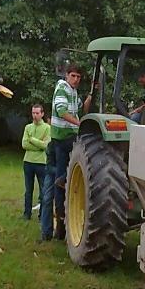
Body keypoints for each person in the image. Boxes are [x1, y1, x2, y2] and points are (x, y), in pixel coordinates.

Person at [49, 63, 92, 240]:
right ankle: (60, 224)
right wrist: (79, 123)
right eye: (73, 76)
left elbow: (84, 109)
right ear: (66, 75)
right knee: (61, 177)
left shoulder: (73, 92)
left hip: (71, 135)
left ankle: (67, 181)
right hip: (62, 137)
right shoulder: (62, 88)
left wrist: (90, 95)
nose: (75, 80)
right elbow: (61, 112)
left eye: (78, 77)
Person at [21, 104, 50, 222]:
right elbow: (24, 144)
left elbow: (46, 146)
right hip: (28, 161)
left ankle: (42, 215)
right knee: (28, 190)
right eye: (33, 113)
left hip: (41, 163)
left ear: (42, 114)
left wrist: (32, 139)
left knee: (43, 190)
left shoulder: (47, 128)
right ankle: (26, 213)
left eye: (37, 113)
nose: (35, 115)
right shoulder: (28, 127)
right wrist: (38, 144)